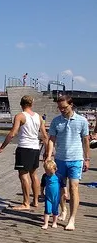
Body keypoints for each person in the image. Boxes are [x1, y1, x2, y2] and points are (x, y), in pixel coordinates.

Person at [0, 95, 48, 210]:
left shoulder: (20, 116)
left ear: (21, 104)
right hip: (35, 148)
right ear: (31, 104)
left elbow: (13, 133)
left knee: (23, 175)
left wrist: (2, 147)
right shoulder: (39, 117)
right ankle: (35, 201)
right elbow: (44, 135)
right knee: (34, 175)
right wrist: (46, 152)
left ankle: (26, 203)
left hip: (24, 148)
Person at [46, 95, 90, 231]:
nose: (62, 110)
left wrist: (87, 159)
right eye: (59, 108)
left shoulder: (82, 121)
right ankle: (63, 209)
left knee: (73, 187)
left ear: (71, 104)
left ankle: (72, 218)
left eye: (64, 107)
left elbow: (86, 140)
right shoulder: (56, 121)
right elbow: (52, 139)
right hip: (59, 159)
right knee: (59, 187)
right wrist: (48, 156)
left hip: (76, 159)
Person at [41, 160, 68, 230]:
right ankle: (45, 223)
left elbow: (63, 185)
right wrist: (41, 192)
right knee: (47, 210)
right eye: (47, 171)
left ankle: (54, 222)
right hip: (48, 197)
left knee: (55, 210)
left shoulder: (59, 176)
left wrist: (65, 193)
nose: (48, 173)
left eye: (50, 172)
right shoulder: (45, 176)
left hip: (56, 197)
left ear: (55, 169)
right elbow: (42, 185)